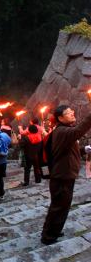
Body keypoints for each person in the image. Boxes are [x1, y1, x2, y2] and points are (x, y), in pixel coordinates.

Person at [41, 105, 91, 245]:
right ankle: (48, 236)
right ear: (60, 118)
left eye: (71, 111)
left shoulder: (63, 131)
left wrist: (83, 150)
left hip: (65, 174)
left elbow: (67, 151)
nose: (72, 113)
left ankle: (54, 230)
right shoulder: (63, 131)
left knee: (62, 205)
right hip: (61, 176)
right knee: (59, 206)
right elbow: (79, 131)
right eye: (68, 113)